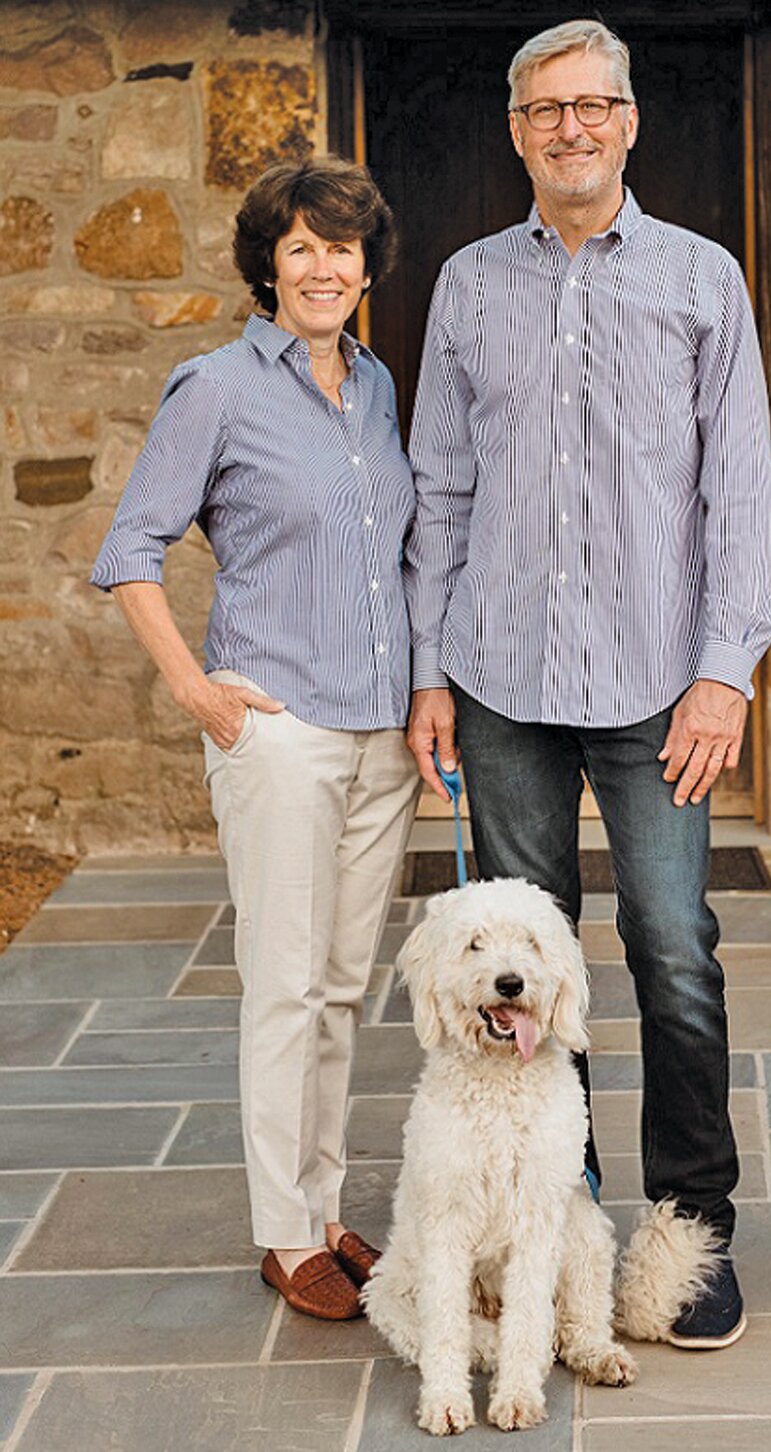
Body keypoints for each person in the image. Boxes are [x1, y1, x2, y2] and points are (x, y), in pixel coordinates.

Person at [404, 18, 771, 1349]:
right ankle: (556, 1217)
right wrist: (431, 667)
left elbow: (740, 489)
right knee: (516, 969)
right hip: (500, 679)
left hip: (658, 688)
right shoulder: (467, 287)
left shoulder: (701, 280)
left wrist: (726, 673)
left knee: (673, 951)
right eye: (547, 108)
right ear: (518, 130)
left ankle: (691, 1231)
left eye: (594, 105)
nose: (572, 126)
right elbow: (438, 485)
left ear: (630, 122)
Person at [91, 156, 421, 1322]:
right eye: (300, 248)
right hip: (277, 725)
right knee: (282, 988)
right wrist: (201, 691)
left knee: (339, 989)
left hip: (381, 738)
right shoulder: (217, 386)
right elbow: (130, 549)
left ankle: (323, 1209)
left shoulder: (378, 389)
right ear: (268, 266)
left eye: (341, 247)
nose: (323, 266)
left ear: (366, 264)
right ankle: (282, 1236)